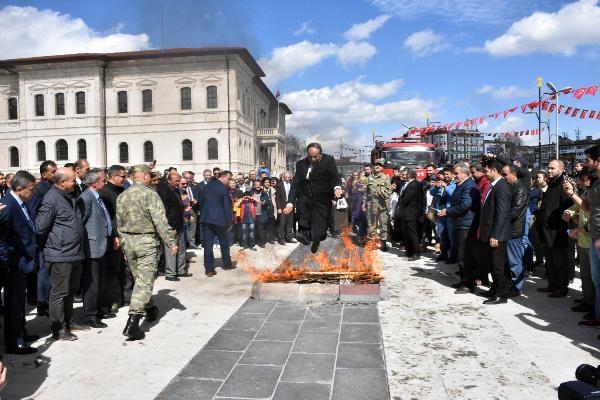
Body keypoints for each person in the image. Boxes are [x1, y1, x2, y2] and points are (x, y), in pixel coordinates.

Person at [116, 165, 177, 340]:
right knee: (144, 281)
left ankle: (149, 309)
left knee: (141, 278)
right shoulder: (150, 194)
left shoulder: (122, 195)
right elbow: (160, 221)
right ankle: (133, 323)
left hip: (128, 242)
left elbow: (118, 223)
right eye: (149, 176)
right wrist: (171, 242)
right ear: (144, 176)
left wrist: (124, 244)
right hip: (145, 242)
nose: (151, 178)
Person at [36, 167, 87, 341]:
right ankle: (58, 328)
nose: (76, 182)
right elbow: (40, 227)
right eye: (73, 180)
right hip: (59, 254)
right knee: (59, 293)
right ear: (61, 182)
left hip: (74, 252)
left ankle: (69, 322)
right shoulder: (51, 199)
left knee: (71, 291)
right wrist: (54, 244)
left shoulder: (70, 196)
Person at [0, 171, 38, 354]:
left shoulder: (20, 202)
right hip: (14, 263)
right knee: (13, 303)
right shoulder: (7, 205)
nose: (34, 192)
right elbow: (2, 238)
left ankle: (21, 332)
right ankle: (14, 341)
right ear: (19, 189)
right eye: (31, 189)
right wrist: (9, 259)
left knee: (19, 302)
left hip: (22, 260)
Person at [284, 143, 343, 253]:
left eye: (315, 156)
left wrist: (337, 187)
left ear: (321, 154)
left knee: (320, 230)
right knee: (304, 218)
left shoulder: (328, 160)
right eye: (310, 156)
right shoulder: (301, 164)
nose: (313, 159)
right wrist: (290, 203)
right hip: (305, 197)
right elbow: (295, 184)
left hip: (322, 198)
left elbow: (335, 176)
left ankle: (317, 240)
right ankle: (305, 236)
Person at [77, 169, 111, 328]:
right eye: (103, 180)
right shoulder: (86, 198)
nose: (106, 182)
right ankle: (89, 315)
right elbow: (80, 223)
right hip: (92, 247)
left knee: (100, 281)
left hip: (101, 245)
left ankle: (98, 310)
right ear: (94, 183)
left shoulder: (97, 197)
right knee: (92, 283)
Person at [439, 163, 480, 293]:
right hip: (460, 223)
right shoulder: (461, 185)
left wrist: (448, 211)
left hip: (466, 225)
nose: (454, 176)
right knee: (460, 255)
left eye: (456, 173)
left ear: (465, 173)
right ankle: (464, 281)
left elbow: (464, 205)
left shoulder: (468, 186)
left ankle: (468, 284)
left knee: (464, 256)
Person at [537, 160, 573, 298]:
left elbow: (567, 206)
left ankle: (561, 287)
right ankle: (552, 284)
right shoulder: (552, 183)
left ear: (561, 169)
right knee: (550, 261)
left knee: (559, 262)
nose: (549, 170)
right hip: (546, 229)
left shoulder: (564, 183)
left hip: (557, 230)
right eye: (548, 168)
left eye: (553, 168)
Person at [479, 159, 512, 305]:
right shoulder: (495, 186)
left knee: (498, 266)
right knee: (493, 264)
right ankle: (495, 288)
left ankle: (501, 294)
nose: (484, 174)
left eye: (486, 171)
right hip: (490, 232)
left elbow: (502, 213)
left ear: (494, 170)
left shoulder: (502, 187)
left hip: (497, 235)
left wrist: (495, 235)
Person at [29, 160, 58, 317]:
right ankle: (42, 304)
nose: (55, 173)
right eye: (52, 171)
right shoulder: (40, 189)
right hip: (43, 238)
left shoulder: (51, 187)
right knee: (44, 271)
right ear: (44, 173)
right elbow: (33, 213)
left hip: (51, 237)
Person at [100, 165, 130, 311]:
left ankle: (123, 297)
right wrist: (115, 236)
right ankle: (112, 301)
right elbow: (109, 218)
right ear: (113, 177)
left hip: (124, 235)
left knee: (123, 269)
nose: (125, 179)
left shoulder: (121, 190)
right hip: (114, 238)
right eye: (122, 177)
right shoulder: (106, 192)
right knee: (112, 271)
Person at [199, 171, 237, 277]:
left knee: (208, 245)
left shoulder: (207, 186)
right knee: (224, 243)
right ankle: (227, 264)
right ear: (223, 177)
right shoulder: (224, 189)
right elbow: (227, 206)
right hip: (220, 220)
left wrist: (204, 215)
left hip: (206, 219)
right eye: (229, 179)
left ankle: (209, 270)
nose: (229, 182)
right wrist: (229, 221)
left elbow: (201, 202)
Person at [502, 164, 528, 296]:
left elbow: (515, 211)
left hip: (514, 230)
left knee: (514, 261)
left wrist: (500, 219)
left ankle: (517, 287)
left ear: (514, 174)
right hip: (508, 229)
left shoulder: (520, 189)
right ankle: (510, 284)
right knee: (508, 260)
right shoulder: (511, 187)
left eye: (505, 174)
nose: (503, 177)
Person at [157, 171, 188, 281]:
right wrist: (171, 227)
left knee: (181, 249)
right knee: (171, 250)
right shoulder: (165, 191)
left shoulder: (176, 190)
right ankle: (170, 273)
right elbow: (167, 212)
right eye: (176, 181)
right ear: (168, 180)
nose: (178, 183)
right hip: (172, 226)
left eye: (179, 181)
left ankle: (181, 270)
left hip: (179, 225)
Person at [365, 159, 392, 252]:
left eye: (379, 165)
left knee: (383, 225)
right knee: (372, 225)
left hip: (382, 205)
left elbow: (389, 191)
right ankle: (373, 243)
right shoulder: (369, 178)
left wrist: (381, 191)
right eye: (376, 165)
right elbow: (366, 192)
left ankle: (383, 243)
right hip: (371, 205)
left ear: (382, 167)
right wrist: (364, 203)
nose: (377, 166)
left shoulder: (386, 178)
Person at [395, 169, 423, 260]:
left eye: (405, 174)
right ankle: (409, 251)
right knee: (407, 233)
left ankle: (415, 253)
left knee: (412, 233)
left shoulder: (413, 185)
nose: (404, 176)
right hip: (409, 213)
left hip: (410, 213)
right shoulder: (415, 183)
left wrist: (399, 207)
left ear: (410, 175)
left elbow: (406, 200)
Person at [434, 167, 456, 262]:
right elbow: (432, 193)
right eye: (445, 174)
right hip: (440, 212)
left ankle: (452, 256)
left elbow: (453, 195)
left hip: (450, 213)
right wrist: (436, 187)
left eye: (448, 174)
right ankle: (443, 254)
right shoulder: (442, 183)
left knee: (451, 236)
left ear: (452, 174)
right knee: (441, 235)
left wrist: (445, 187)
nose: (446, 176)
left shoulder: (454, 184)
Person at [275, 172, 295, 245]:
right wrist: (278, 208)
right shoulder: (279, 185)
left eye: (288, 177)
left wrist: (294, 206)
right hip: (283, 206)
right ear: (283, 177)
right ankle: (281, 239)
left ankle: (289, 238)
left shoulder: (292, 184)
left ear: (290, 177)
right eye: (286, 177)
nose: (287, 179)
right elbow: (277, 198)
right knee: (282, 223)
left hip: (290, 206)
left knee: (289, 223)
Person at [262, 177, 277, 244]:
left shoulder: (273, 190)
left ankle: (271, 238)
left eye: (268, 182)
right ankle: (264, 239)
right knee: (264, 225)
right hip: (264, 210)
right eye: (266, 182)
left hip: (271, 209)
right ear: (263, 183)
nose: (267, 183)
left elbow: (275, 201)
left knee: (271, 225)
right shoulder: (261, 190)